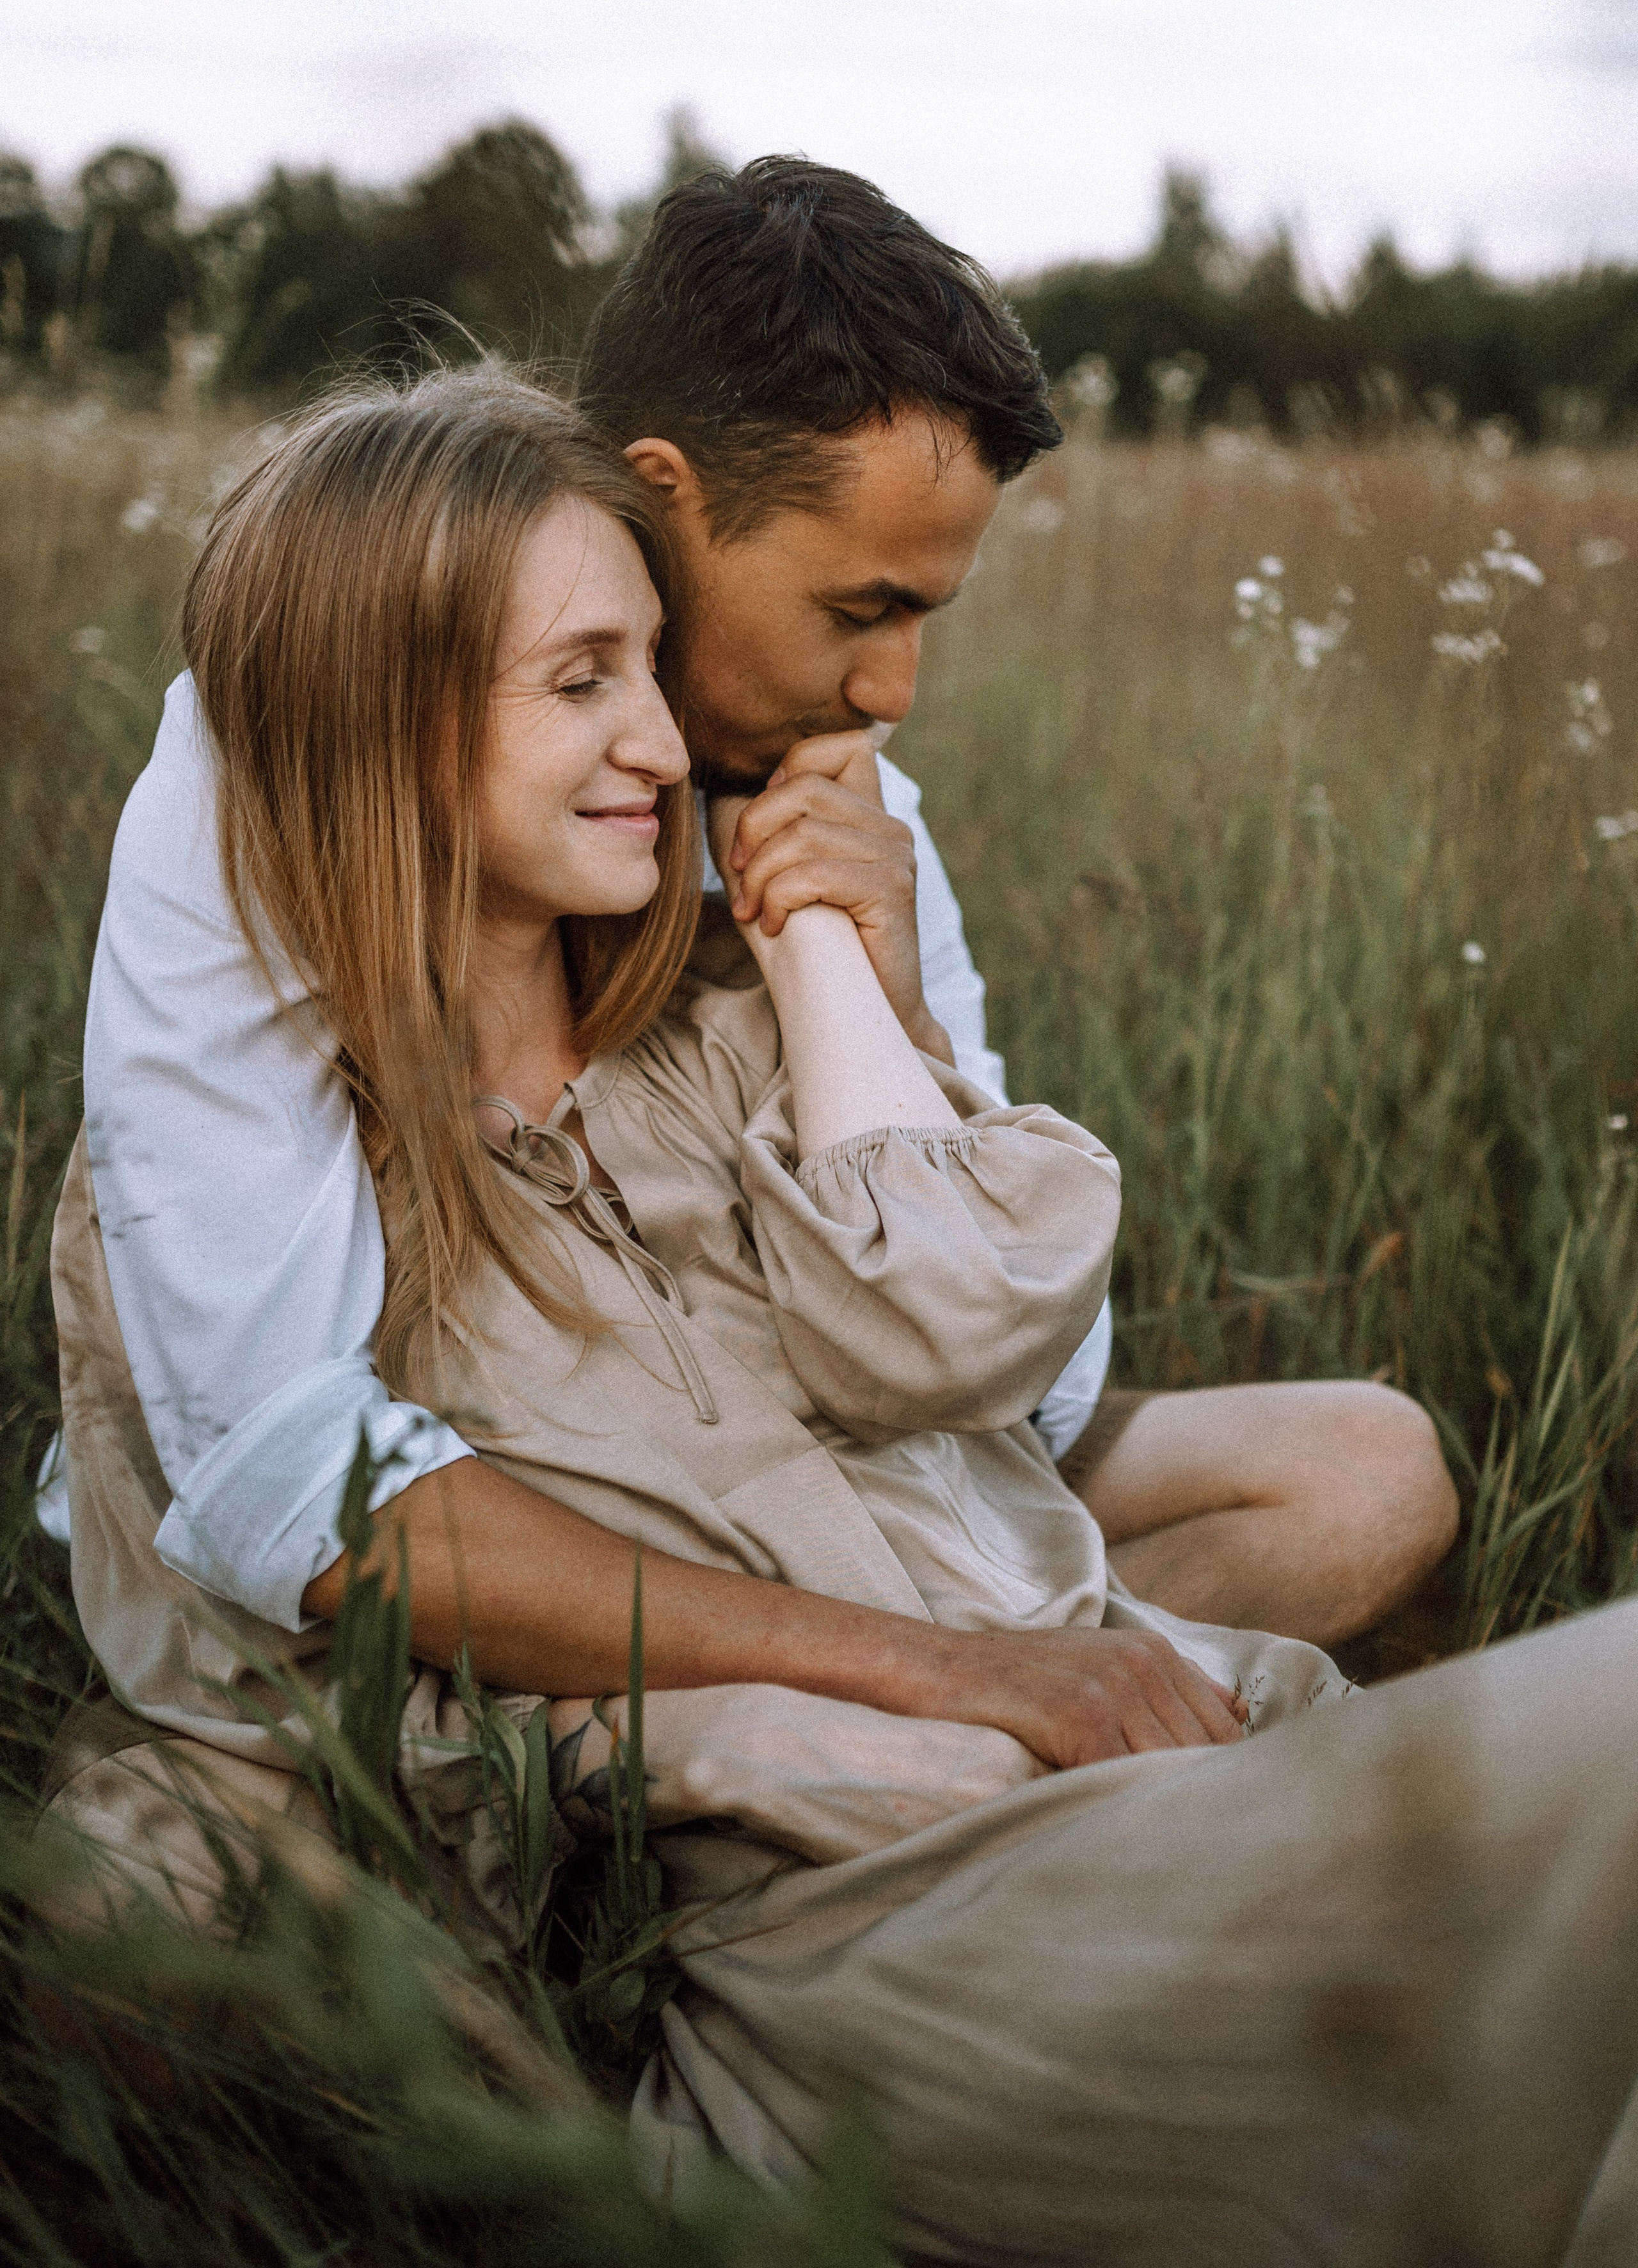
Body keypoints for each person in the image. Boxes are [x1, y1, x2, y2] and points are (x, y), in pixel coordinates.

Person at [48, 370, 1638, 2265]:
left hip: (1184, 1759)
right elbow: (281, 1638)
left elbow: (1009, 1370)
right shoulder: (270, 1198)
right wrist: (862, 1702)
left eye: (650, 663)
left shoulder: (720, 1029)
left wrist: (837, 961)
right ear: (378, 723)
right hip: (907, 1909)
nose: (664, 737)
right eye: (582, 681)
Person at [68, 156, 1454, 1654]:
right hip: (523, 1483)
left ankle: (1011, 1707)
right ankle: (892, 1728)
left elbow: (1018, 1387)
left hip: (822, 1431)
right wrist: (915, 1669)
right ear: (666, 502)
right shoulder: (275, 764)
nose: (893, 694)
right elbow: (274, 1453)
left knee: (1367, 1476)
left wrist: (895, 1006)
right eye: (860, 610)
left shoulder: (837, 798)